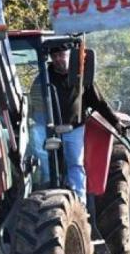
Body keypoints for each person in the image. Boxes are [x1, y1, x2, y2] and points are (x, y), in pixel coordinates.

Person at [30, 43, 122, 200]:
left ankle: (80, 203)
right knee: (46, 165)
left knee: (75, 164)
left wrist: (115, 122)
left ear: (70, 55)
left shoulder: (82, 76)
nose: (58, 59)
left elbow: (98, 102)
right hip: (49, 129)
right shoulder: (42, 79)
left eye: (62, 55)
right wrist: (41, 126)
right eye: (55, 56)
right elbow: (36, 106)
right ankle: (47, 195)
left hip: (74, 128)